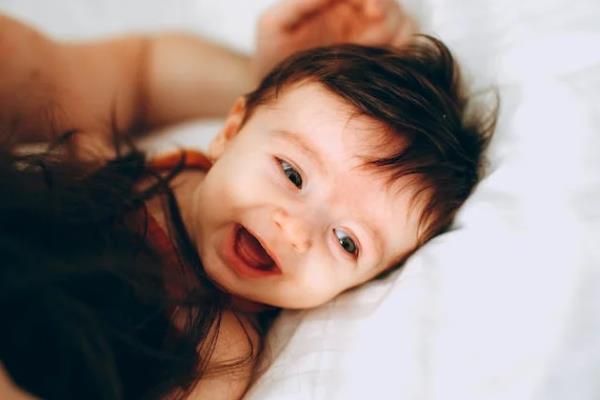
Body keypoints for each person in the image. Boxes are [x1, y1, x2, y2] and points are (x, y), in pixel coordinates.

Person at [0, 1, 494, 399]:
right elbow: (140, 76)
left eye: (347, 241)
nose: (295, 231)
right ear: (230, 132)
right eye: (292, 174)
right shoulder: (158, 168)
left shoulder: (221, 350)